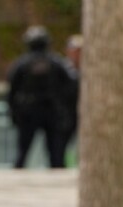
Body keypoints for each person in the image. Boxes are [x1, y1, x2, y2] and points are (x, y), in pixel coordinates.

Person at [6, 26, 78, 169]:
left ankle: (18, 174)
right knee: (56, 156)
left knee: (22, 153)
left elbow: (11, 92)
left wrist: (14, 113)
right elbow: (70, 87)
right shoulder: (56, 62)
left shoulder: (21, 64)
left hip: (29, 113)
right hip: (51, 111)